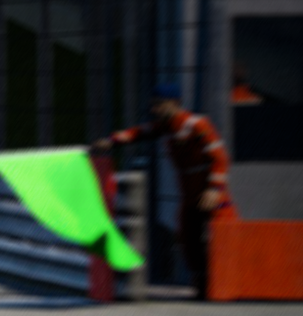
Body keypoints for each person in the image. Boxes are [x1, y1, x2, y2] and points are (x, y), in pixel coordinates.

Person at [95, 81, 236, 299]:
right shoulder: (166, 127)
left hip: (212, 197)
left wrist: (214, 188)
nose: (155, 109)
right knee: (187, 238)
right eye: (154, 104)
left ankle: (231, 284)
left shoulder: (197, 125)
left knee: (226, 236)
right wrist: (111, 141)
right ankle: (202, 286)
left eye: (160, 104)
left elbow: (220, 157)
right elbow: (139, 132)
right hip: (190, 197)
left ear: (175, 103)